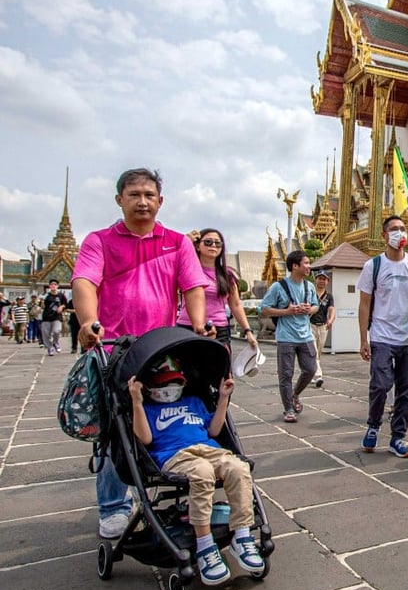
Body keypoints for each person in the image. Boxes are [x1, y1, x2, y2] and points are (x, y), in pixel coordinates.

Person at [73, 167, 209, 540]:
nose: (143, 201)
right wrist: (88, 322)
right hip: (114, 347)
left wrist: (198, 324)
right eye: (134, 194)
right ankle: (114, 505)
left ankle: (172, 485)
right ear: (120, 200)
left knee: (162, 418)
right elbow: (84, 281)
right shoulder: (99, 241)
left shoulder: (177, 241)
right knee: (114, 426)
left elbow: (193, 285)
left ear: (160, 201)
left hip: (159, 349)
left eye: (149, 195)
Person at [129, 355, 264, 585]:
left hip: (207, 448)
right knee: (202, 472)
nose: (169, 389)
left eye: (174, 383)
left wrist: (222, 399)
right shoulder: (150, 409)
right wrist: (137, 402)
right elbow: (145, 437)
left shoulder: (193, 402)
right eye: (163, 384)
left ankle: (241, 535)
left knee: (238, 467)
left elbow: (213, 430)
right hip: (175, 455)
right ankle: (204, 545)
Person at [357, 215, 408, 458]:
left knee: (405, 390)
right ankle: (373, 425)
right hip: (382, 335)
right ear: (384, 235)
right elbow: (364, 304)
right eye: (394, 229)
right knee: (380, 386)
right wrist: (364, 338)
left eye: (403, 229)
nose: (399, 233)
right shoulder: (373, 266)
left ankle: (398, 437)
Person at [260, 250, 319, 424]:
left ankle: (295, 394)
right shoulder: (279, 287)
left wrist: (309, 309)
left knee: (310, 369)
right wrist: (287, 311)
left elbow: (316, 306)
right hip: (286, 336)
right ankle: (288, 409)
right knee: (286, 374)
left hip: (306, 335)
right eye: (306, 263)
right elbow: (263, 309)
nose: (309, 266)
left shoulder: (310, 286)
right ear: (295, 266)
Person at [179, 228, 258, 357]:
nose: (213, 246)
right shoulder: (187, 269)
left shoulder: (227, 274)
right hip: (188, 327)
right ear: (198, 246)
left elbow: (236, 305)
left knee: (221, 372)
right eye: (208, 242)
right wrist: (185, 242)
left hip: (219, 328)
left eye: (218, 243)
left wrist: (248, 331)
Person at [310, 270, 336, 388]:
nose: (321, 281)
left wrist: (330, 320)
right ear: (315, 280)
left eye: (324, 279)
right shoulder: (310, 293)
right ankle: (318, 376)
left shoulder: (329, 296)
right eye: (319, 278)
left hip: (323, 326)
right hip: (310, 325)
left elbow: (331, 309)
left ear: (327, 281)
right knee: (313, 351)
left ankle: (310, 373)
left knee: (318, 353)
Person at [41, 279, 67, 355]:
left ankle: (55, 342)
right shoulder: (46, 295)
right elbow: (42, 306)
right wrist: (41, 302)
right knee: (46, 334)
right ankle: (50, 348)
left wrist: (61, 307)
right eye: (51, 284)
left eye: (55, 284)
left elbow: (65, 304)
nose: (53, 286)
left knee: (57, 331)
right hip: (46, 317)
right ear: (49, 286)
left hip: (57, 317)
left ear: (57, 286)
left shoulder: (61, 295)